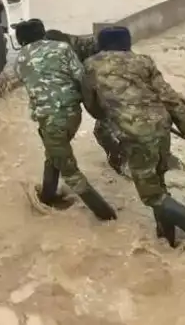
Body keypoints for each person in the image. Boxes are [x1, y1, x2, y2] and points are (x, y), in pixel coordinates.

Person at [82, 26, 185, 247]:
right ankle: (166, 239)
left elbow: (91, 104)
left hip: (134, 135)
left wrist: (108, 115)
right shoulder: (143, 61)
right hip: (161, 127)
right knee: (158, 184)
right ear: (128, 43)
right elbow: (168, 96)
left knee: (152, 196)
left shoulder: (90, 66)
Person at [13, 19, 117, 221]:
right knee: (54, 155)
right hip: (72, 115)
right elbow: (81, 76)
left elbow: (25, 79)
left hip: (51, 121)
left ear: (22, 39)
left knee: (70, 171)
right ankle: (48, 196)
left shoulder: (20, 59)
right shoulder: (63, 47)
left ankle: (105, 215)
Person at [43, 27, 126, 174]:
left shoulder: (90, 46)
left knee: (105, 130)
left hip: (118, 84)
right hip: (108, 85)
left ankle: (123, 160)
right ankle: (124, 157)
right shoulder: (64, 53)